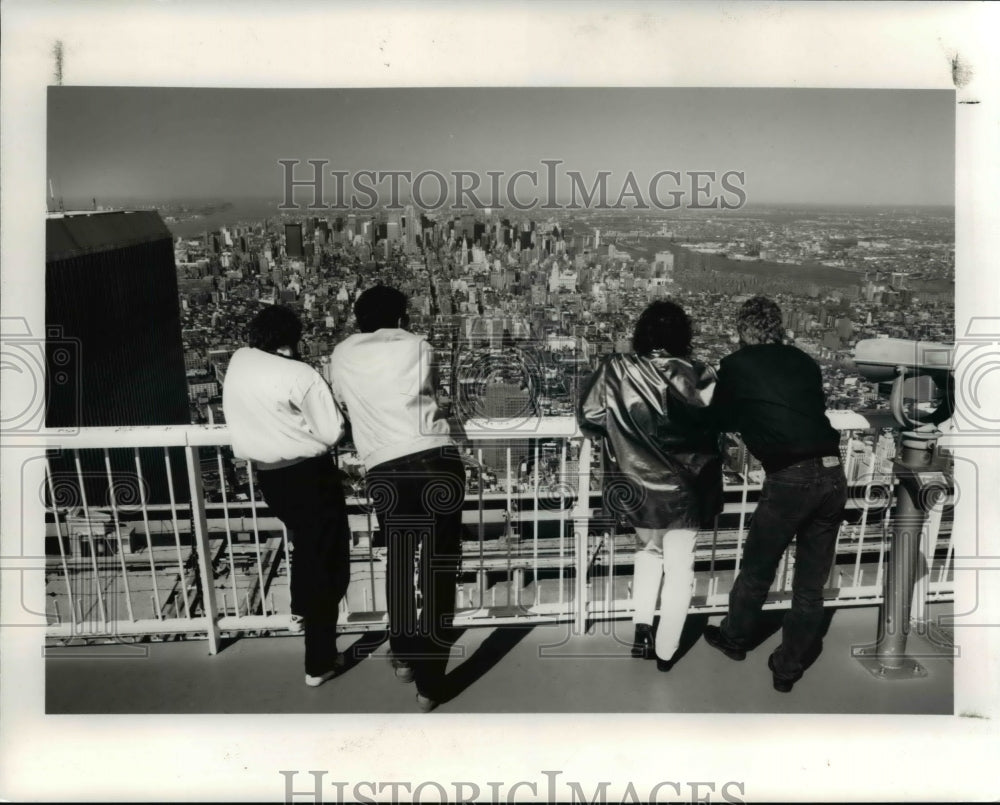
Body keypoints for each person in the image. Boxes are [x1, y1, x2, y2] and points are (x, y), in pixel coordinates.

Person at [328, 285, 464, 712]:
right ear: (403, 318)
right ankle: (429, 685)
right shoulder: (419, 345)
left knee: (402, 564)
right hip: (437, 461)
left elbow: (341, 407)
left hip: (386, 469)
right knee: (439, 569)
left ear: (358, 319)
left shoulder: (342, 354)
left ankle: (404, 654)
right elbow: (435, 395)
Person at [703, 296, 847, 692]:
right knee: (810, 584)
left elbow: (719, 417)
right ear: (778, 327)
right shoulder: (804, 361)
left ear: (743, 329)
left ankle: (734, 639)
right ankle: (788, 667)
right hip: (834, 474)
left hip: (790, 479)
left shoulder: (736, 365)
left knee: (757, 570)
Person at [578, 300, 723, 671]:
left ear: (642, 333)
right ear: (683, 335)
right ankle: (665, 651)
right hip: (687, 487)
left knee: (647, 554)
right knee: (680, 569)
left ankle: (642, 626)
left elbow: (591, 416)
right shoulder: (700, 374)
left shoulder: (615, 369)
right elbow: (719, 421)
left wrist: (624, 436)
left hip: (637, 483)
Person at [222, 305, 351, 687]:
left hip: (270, 479)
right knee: (327, 563)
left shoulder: (239, 361)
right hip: (310, 476)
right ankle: (319, 661)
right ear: (292, 339)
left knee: (307, 549)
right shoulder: (301, 375)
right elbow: (331, 432)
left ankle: (299, 611)